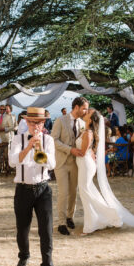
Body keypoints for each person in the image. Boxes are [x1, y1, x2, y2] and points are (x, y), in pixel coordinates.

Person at [8, 107, 56, 266]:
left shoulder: (49, 140)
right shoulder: (17, 139)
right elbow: (13, 161)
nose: (36, 125)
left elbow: (51, 165)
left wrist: (40, 148)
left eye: (40, 122)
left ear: (44, 123)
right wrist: (29, 146)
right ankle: (24, 257)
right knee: (22, 229)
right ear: (26, 122)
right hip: (22, 189)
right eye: (32, 122)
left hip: (43, 189)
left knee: (46, 231)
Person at [75, 108, 134, 234]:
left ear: (91, 119)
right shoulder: (86, 131)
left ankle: (104, 217)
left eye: (88, 113)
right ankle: (98, 219)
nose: (86, 113)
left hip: (86, 164)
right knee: (87, 192)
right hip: (85, 164)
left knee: (85, 192)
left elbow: (82, 152)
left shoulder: (88, 133)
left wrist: (71, 150)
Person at [51, 97, 89, 235]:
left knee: (73, 192)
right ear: (76, 107)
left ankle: (69, 217)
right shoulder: (60, 120)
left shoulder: (82, 123)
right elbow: (53, 140)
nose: (86, 111)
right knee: (63, 193)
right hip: (61, 162)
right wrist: (70, 149)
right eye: (84, 108)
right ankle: (61, 223)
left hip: (75, 163)